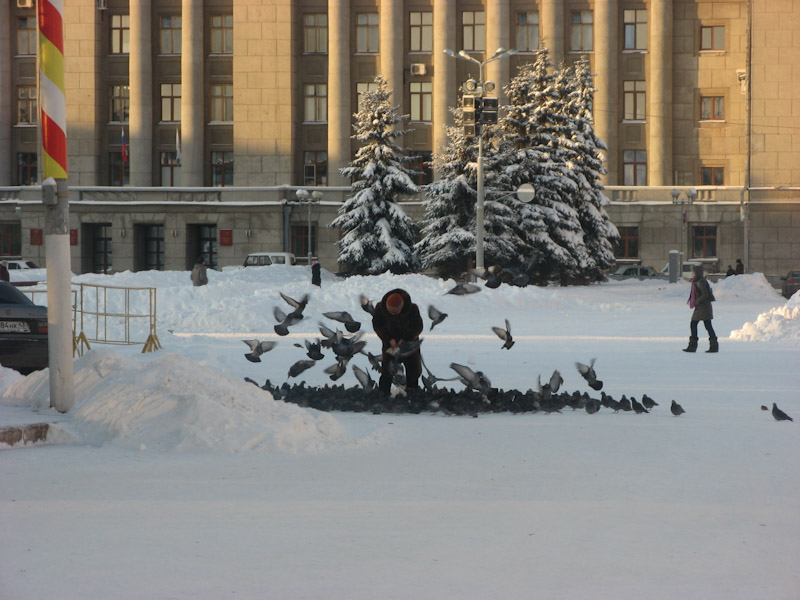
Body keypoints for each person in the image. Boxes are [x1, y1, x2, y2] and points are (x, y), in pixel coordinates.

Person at [372, 288, 424, 394]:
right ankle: (383, 393)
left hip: (409, 344)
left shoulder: (413, 309)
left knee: (413, 369)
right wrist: (388, 339)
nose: (394, 314)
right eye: (391, 312)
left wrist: (405, 340)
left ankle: (412, 393)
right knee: (387, 369)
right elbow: (377, 326)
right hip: (390, 344)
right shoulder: (379, 309)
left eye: (396, 312)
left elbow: (417, 327)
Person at [683, 264, 717, 353]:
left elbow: (705, 294)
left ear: (697, 273)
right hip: (702, 306)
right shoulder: (697, 280)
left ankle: (693, 346)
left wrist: (697, 301)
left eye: (693, 272)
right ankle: (713, 346)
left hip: (704, 306)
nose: (692, 274)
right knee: (706, 325)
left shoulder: (701, 281)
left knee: (695, 324)